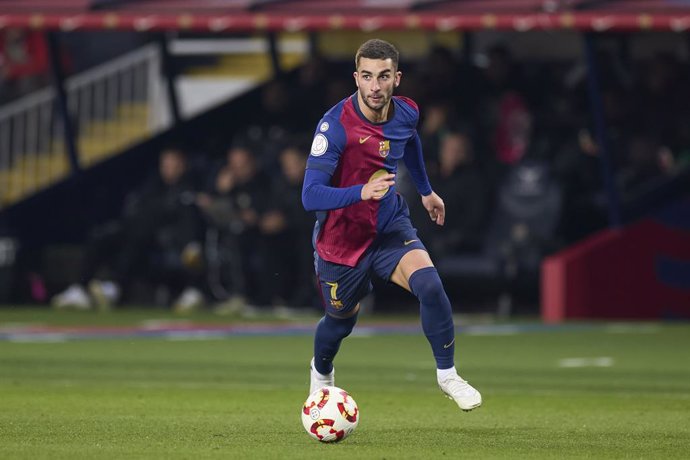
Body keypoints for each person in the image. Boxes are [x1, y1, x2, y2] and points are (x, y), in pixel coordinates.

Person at [301, 39, 481, 411]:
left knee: (430, 285)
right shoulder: (334, 127)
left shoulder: (407, 113)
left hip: (388, 226)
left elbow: (410, 142)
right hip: (341, 242)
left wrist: (427, 191)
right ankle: (321, 374)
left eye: (383, 76)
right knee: (339, 324)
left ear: (396, 78)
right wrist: (361, 191)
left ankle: (447, 375)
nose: (375, 86)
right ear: (356, 77)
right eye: (367, 77)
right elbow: (310, 195)